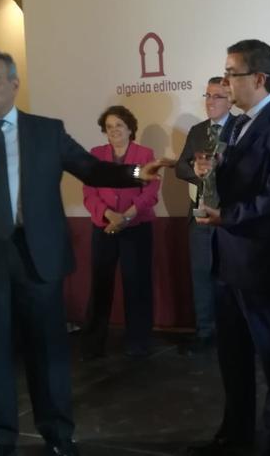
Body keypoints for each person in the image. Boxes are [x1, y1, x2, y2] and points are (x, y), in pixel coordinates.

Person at [0, 50, 170, 456]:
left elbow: (90, 168)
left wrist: (137, 173)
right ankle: (0, 438)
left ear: (14, 84)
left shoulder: (45, 131)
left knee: (48, 350)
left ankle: (57, 433)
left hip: (37, 254)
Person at [189, 39, 270, 456]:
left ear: (258, 78)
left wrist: (227, 217)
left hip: (262, 262)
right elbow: (238, 181)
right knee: (233, 357)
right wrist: (211, 173)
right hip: (228, 258)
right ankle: (234, 433)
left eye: (230, 74)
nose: (224, 82)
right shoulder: (237, 125)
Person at [81, 105, 161, 360]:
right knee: (100, 285)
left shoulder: (145, 154)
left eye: (119, 125)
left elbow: (150, 193)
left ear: (130, 128)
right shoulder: (95, 155)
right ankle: (93, 344)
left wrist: (126, 216)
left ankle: (139, 343)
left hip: (136, 227)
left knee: (137, 285)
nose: (114, 130)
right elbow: (89, 193)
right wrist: (109, 215)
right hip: (104, 227)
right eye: (109, 126)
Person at [175, 77, 235, 354]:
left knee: (229, 277)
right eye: (208, 95)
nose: (211, 101)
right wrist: (195, 172)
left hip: (228, 217)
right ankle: (205, 331)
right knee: (201, 275)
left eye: (218, 96)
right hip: (198, 214)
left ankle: (232, 333)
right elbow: (180, 167)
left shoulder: (241, 127)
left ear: (231, 99)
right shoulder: (197, 131)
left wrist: (221, 169)